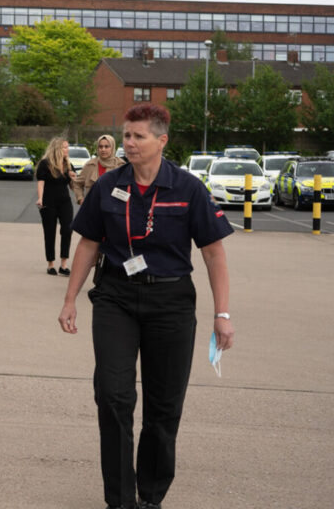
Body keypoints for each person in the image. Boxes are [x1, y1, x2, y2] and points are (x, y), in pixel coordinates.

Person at [56, 103, 234, 509]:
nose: (129, 143)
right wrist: (70, 299)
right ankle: (120, 500)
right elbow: (88, 243)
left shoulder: (188, 188)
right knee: (113, 396)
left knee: (164, 405)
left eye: (138, 137)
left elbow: (213, 254)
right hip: (116, 297)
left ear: (161, 141)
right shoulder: (109, 185)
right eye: (126, 136)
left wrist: (221, 315)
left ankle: (151, 496)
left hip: (171, 302)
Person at [35, 136, 76, 276]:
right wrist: (40, 198)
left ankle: (63, 264)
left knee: (67, 229)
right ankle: (50, 264)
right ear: (57, 148)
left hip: (65, 202)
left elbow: (72, 185)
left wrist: (74, 180)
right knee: (50, 232)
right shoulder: (45, 164)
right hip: (48, 202)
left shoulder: (68, 165)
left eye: (67, 147)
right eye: (65, 147)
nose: (67, 149)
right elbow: (41, 182)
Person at [73, 134, 126, 204]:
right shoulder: (90, 165)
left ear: (112, 147)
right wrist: (80, 199)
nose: (103, 149)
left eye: (106, 146)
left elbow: (128, 189)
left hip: (113, 209)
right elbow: (77, 183)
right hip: (93, 208)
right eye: (100, 147)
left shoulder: (121, 165)